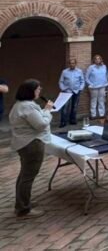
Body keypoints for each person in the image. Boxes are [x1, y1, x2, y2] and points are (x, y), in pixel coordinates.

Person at [10, 80, 53, 218]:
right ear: (30, 91)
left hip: (24, 143)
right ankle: (23, 209)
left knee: (24, 175)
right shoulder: (28, 107)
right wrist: (47, 110)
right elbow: (41, 125)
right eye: (37, 89)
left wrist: (43, 111)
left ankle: (22, 202)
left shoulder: (20, 105)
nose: (39, 91)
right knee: (28, 177)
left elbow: (35, 119)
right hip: (31, 144)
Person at [58, 57, 84, 127]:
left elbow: (82, 81)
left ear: (75, 64)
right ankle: (63, 122)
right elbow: (61, 81)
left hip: (76, 91)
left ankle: (72, 120)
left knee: (74, 106)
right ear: (69, 64)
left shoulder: (79, 71)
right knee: (65, 107)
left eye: (73, 63)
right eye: (70, 63)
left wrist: (80, 88)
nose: (72, 64)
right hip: (67, 91)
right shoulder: (64, 72)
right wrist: (63, 88)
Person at [85, 54, 107, 119]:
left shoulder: (104, 66)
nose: (97, 60)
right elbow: (86, 77)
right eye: (96, 59)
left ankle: (101, 114)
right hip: (94, 87)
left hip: (102, 86)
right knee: (94, 100)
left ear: (101, 60)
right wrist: (91, 84)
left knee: (101, 100)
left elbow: (105, 76)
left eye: (99, 59)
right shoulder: (91, 67)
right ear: (94, 60)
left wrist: (106, 84)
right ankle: (93, 115)